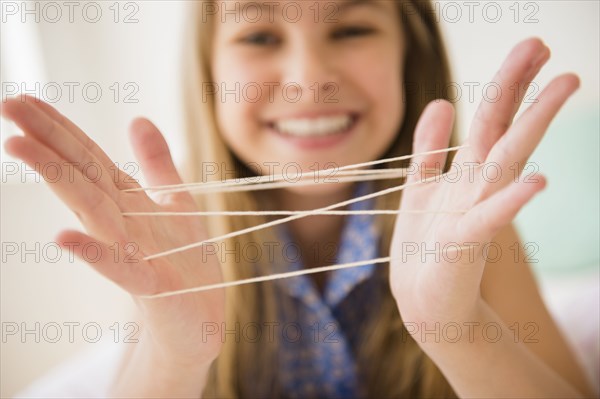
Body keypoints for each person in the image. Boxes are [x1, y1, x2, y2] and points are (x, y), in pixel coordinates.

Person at [2, 0, 594, 397]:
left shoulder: (463, 226)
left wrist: (456, 331)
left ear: (409, 57)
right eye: (259, 35)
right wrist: (175, 358)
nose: (308, 79)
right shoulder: (174, 229)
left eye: (352, 27)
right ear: (208, 71)